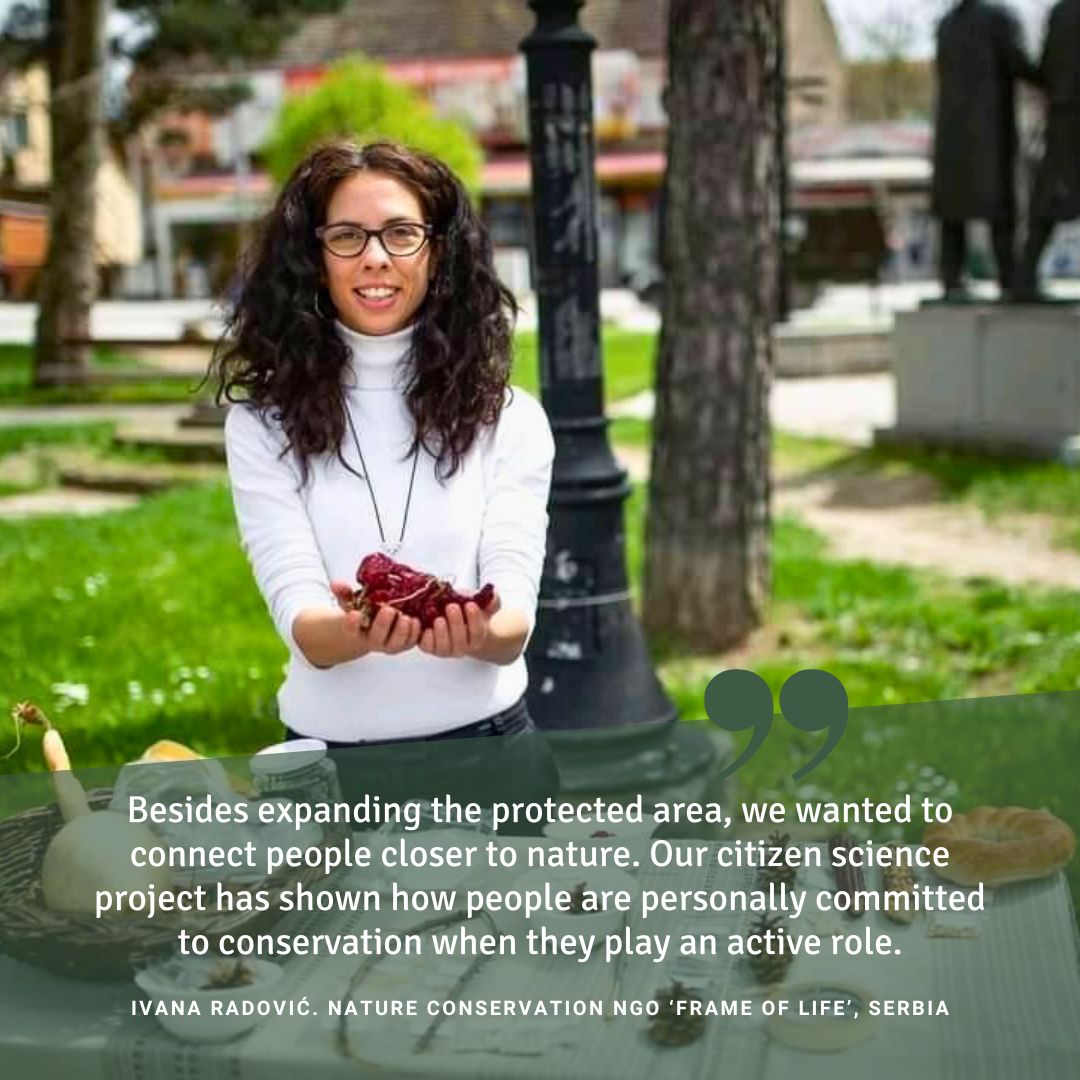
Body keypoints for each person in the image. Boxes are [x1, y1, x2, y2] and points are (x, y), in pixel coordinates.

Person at [212, 140, 559, 805]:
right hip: (329, 776)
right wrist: (355, 633)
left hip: (493, 764)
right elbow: (304, 624)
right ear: (315, 259)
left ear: (438, 252)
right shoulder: (262, 426)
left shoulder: (510, 419)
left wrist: (479, 632)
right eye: (348, 236)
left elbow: (514, 621)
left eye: (401, 233)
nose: (375, 257)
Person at [931, 0, 1038, 299]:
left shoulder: (947, 25)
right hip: (992, 129)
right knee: (1001, 209)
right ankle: (1009, 278)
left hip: (951, 132)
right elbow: (1018, 63)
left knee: (952, 213)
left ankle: (951, 279)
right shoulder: (1000, 19)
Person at [1017, 0, 1080, 299]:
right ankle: (1025, 277)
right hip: (1067, 114)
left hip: (1062, 117)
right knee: (1050, 196)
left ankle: (1025, 277)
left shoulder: (1060, 12)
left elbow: (1045, 69)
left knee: (1048, 198)